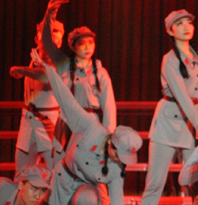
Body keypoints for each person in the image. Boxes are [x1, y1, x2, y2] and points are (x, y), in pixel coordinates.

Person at [29, 47, 142, 205]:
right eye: (120, 154)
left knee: (90, 199)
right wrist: (47, 68)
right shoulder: (91, 127)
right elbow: (66, 99)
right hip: (63, 179)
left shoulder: (117, 169)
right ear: (112, 143)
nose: (121, 160)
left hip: (85, 188)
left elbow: (117, 200)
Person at [141, 10, 198, 205]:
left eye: (189, 22)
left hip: (192, 124)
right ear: (170, 31)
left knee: (196, 182)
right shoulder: (170, 59)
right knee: (155, 183)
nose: (186, 27)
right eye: (179, 24)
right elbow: (182, 97)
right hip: (168, 123)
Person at [40, 0, 117, 133]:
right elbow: (47, 43)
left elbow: (109, 108)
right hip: (66, 124)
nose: (87, 47)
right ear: (73, 47)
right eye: (82, 43)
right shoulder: (65, 65)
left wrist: (108, 137)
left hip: (90, 126)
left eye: (91, 42)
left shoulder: (100, 73)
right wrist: (50, 13)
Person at [9, 19, 65, 179]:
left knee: (55, 174)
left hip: (49, 122)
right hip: (28, 121)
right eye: (47, 32)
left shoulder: (59, 61)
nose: (50, 36)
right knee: (22, 173)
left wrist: (22, 70)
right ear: (37, 39)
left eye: (55, 32)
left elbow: (47, 76)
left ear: (60, 41)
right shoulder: (33, 60)